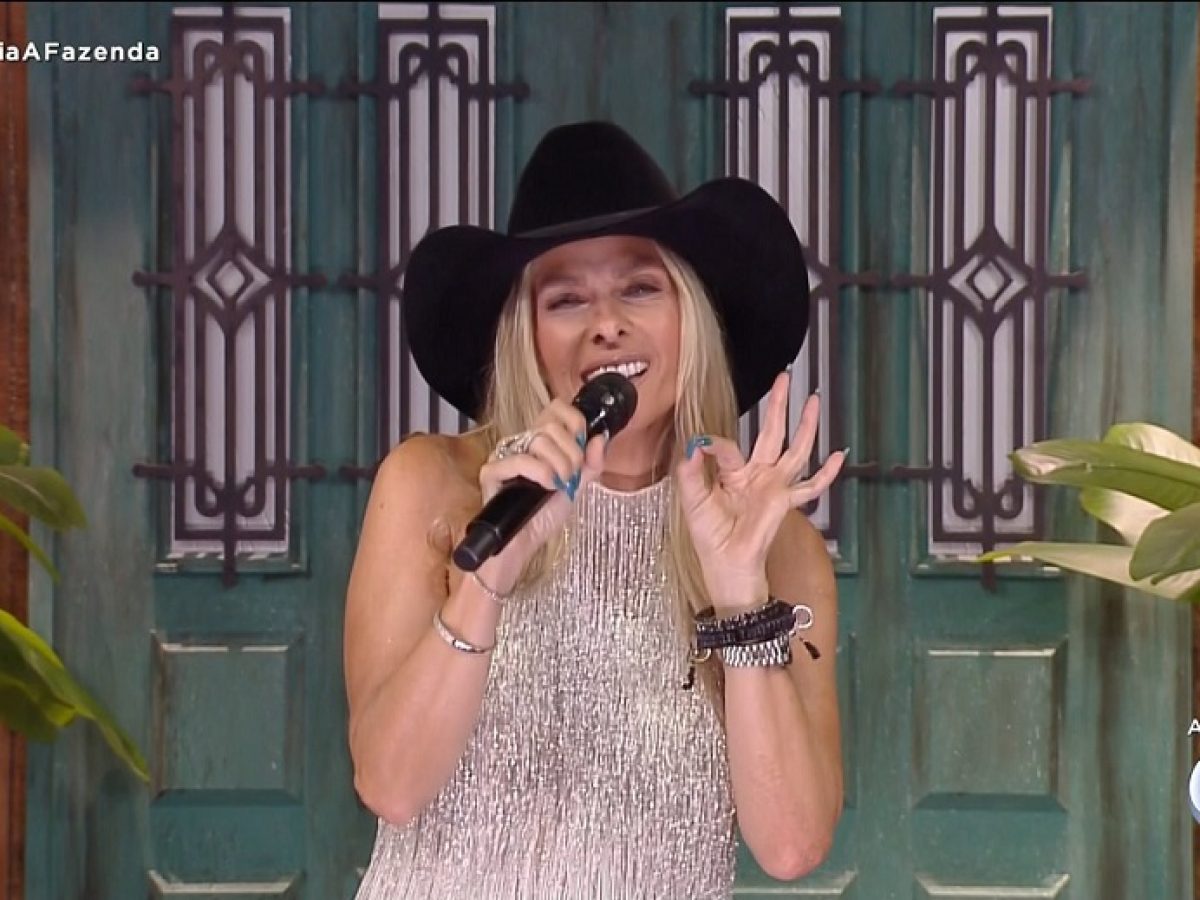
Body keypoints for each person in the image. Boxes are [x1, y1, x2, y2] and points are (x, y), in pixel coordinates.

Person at [344, 121, 846, 900]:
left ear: (690, 315)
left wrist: (740, 598)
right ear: (527, 335)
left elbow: (791, 845)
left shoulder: (775, 549)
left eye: (640, 287)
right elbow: (390, 786)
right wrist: (487, 581)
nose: (606, 323)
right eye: (566, 299)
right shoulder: (435, 487)